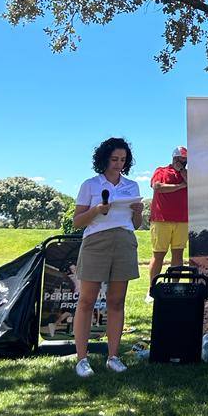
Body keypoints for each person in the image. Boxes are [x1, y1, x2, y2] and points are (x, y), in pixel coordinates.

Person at [72, 137, 144, 378]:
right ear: (104, 159)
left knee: (116, 301)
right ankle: (82, 359)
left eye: (123, 160)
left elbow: (136, 223)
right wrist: (96, 210)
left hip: (124, 241)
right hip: (96, 242)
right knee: (87, 301)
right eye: (114, 159)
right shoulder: (90, 185)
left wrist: (139, 213)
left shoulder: (132, 186)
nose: (118, 164)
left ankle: (113, 356)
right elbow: (77, 222)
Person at [146, 146, 189, 303]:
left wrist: (184, 176)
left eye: (185, 160)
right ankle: (152, 289)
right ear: (174, 158)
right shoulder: (161, 170)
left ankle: (173, 287)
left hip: (183, 219)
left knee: (178, 254)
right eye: (181, 159)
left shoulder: (187, 174)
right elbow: (157, 187)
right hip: (161, 219)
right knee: (159, 255)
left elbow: (193, 186)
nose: (183, 163)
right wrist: (180, 186)